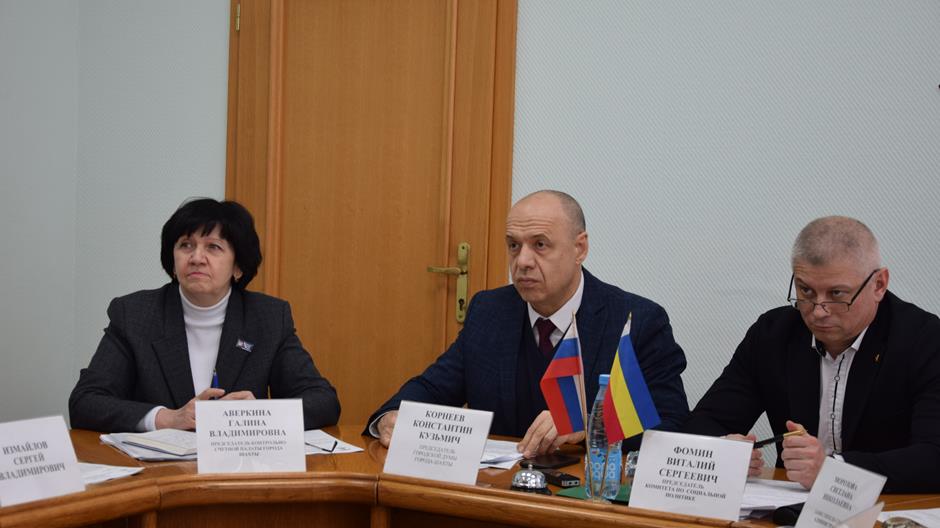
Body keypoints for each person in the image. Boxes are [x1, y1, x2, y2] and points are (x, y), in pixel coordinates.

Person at [365, 190, 689, 456]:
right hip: (499, 495)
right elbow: (434, 388)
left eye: (540, 245)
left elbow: (672, 429)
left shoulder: (636, 322)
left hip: (586, 502)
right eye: (513, 245)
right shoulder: (490, 311)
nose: (522, 261)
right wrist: (390, 417)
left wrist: (590, 426)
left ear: (580, 248)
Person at [684, 216, 940, 493]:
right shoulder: (773, 335)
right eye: (805, 290)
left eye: (837, 293)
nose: (818, 311)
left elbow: (933, 457)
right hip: (788, 510)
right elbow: (705, 423)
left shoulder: (924, 340)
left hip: (891, 507)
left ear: (879, 284)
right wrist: (721, 451)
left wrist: (833, 470)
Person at [69, 198, 340, 433]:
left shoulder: (267, 317)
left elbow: (323, 401)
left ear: (238, 266)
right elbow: (85, 402)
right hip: (156, 470)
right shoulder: (135, 314)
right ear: (172, 261)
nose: (197, 258)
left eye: (213, 247)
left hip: (238, 468)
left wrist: (257, 415)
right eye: (186, 245)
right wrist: (166, 418)